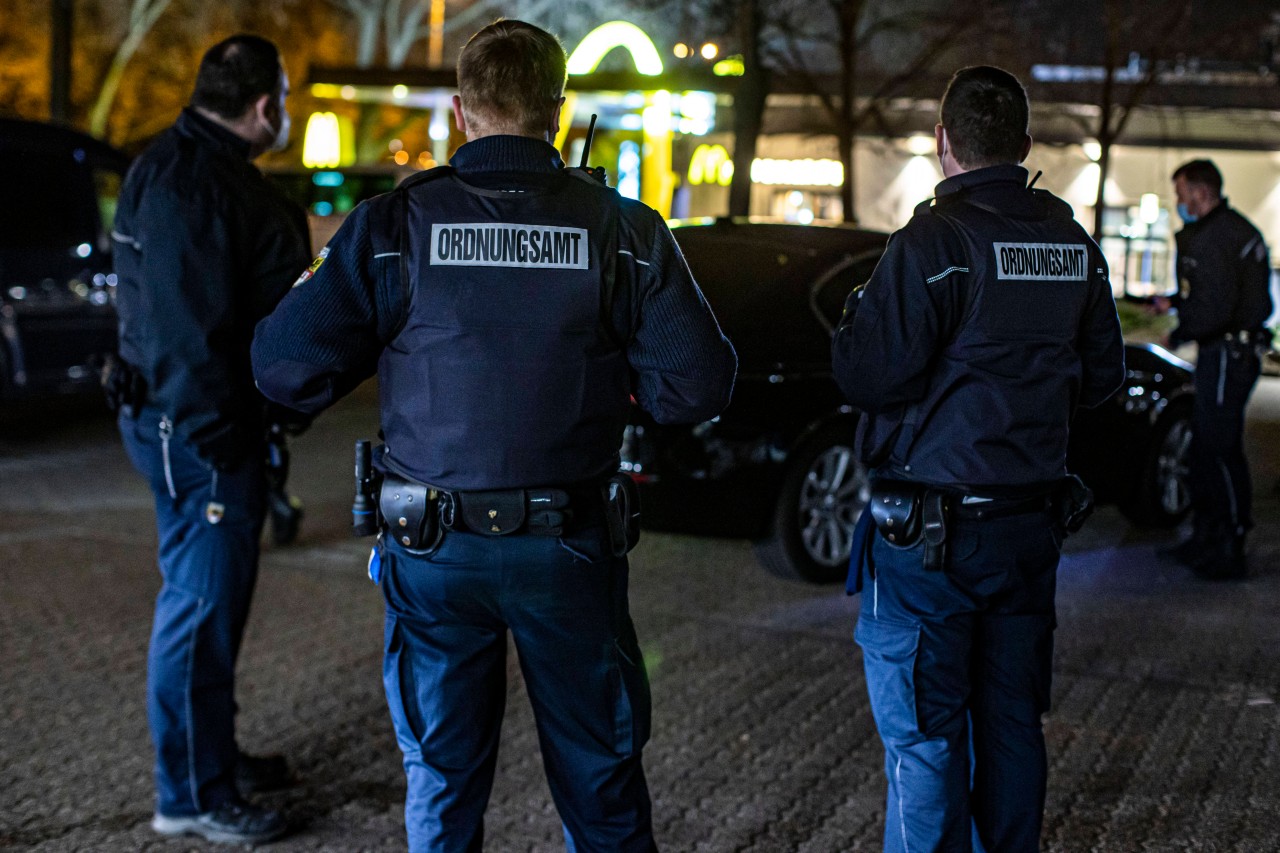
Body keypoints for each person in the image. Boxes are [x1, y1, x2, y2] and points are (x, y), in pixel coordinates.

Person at [251, 19, 736, 852]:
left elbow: (283, 364)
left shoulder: (396, 224)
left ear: (459, 109)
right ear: (557, 108)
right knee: (603, 783)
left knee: (442, 784)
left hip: (432, 551)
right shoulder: (623, 228)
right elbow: (698, 383)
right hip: (570, 550)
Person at [831, 66, 1124, 852]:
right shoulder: (1071, 243)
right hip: (1028, 532)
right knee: (1010, 726)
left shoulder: (930, 243)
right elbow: (1105, 385)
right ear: (1025, 146)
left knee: (927, 740)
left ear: (942, 142)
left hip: (932, 543)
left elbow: (866, 374)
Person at [110, 34, 311, 845]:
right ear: (266, 106)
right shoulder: (199, 187)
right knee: (197, 610)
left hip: (174, 424)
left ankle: (210, 753)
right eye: (286, 99)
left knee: (210, 607)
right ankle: (190, 791)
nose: (286, 113)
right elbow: (188, 341)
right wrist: (224, 445)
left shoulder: (167, 165)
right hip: (197, 434)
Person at [1152, 160, 1272, 580]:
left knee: (1218, 448)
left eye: (1181, 193)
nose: (1179, 202)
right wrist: (1176, 302)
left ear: (1201, 193)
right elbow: (1218, 294)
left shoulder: (1215, 238)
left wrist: (1179, 330)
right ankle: (1208, 535)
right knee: (1207, 445)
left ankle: (1229, 542)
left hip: (1227, 355)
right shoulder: (1233, 232)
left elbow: (1216, 306)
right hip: (1230, 352)